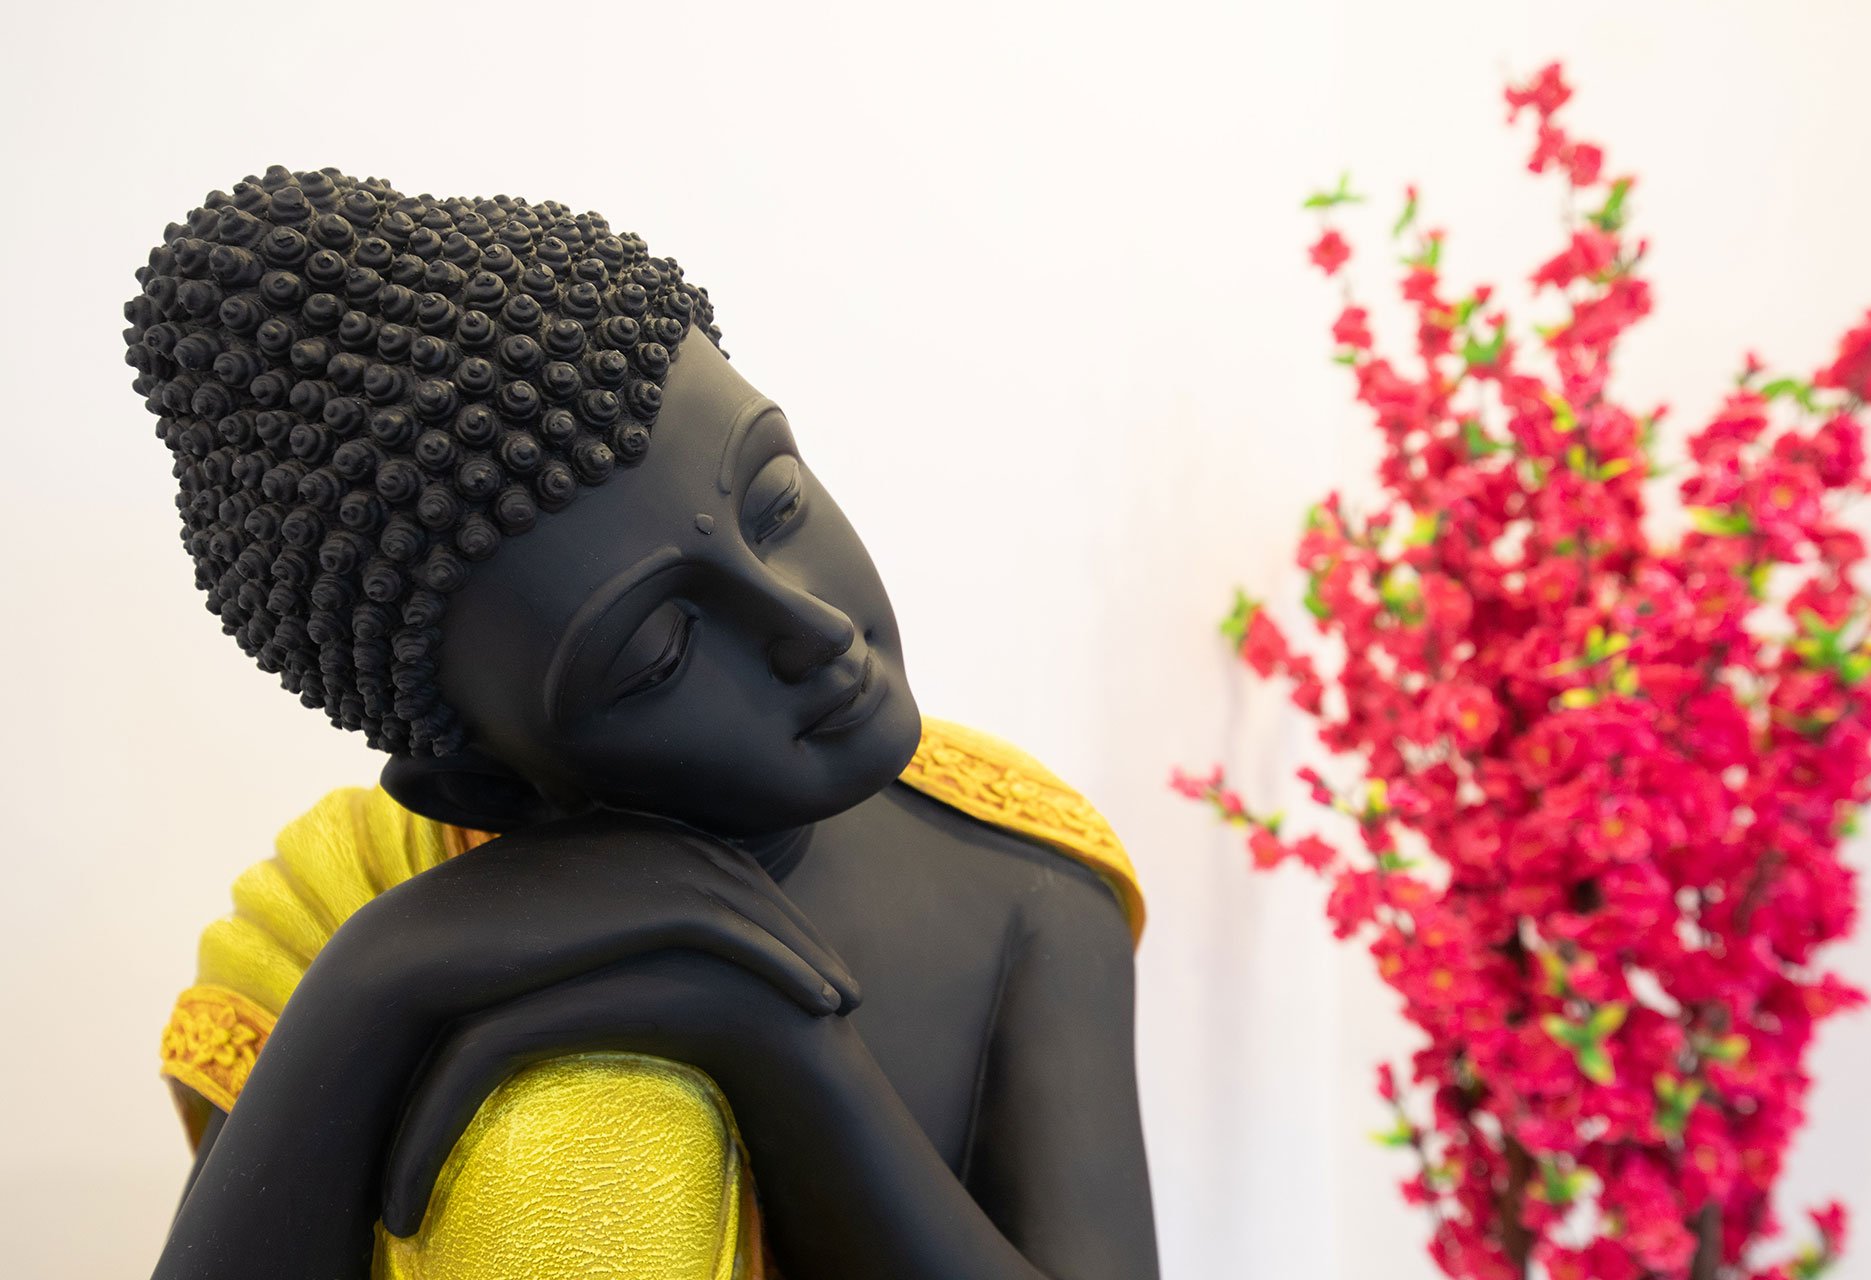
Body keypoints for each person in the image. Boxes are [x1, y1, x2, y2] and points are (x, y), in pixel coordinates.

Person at [128, 168, 1158, 1279]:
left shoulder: (1016, 862)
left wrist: (784, 1048)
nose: (810, 627)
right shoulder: (359, 895)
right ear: (494, 788)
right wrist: (376, 979)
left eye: (776, 503)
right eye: (660, 651)